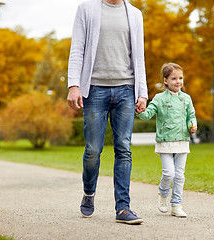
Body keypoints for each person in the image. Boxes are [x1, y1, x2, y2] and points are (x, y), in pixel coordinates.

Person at [67, 0, 147, 225]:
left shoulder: (134, 14)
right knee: (93, 149)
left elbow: (139, 55)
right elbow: (77, 49)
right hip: (94, 89)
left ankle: (123, 208)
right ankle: (89, 192)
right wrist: (74, 85)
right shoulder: (87, 9)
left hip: (126, 89)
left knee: (124, 148)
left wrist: (142, 92)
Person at [137, 63, 197, 218]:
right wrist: (140, 111)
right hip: (165, 141)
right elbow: (148, 113)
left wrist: (193, 125)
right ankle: (163, 194)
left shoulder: (186, 99)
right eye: (174, 78)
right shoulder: (159, 98)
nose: (178, 81)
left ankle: (176, 205)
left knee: (179, 175)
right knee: (169, 173)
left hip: (182, 140)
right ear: (165, 80)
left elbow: (192, 115)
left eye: (180, 78)